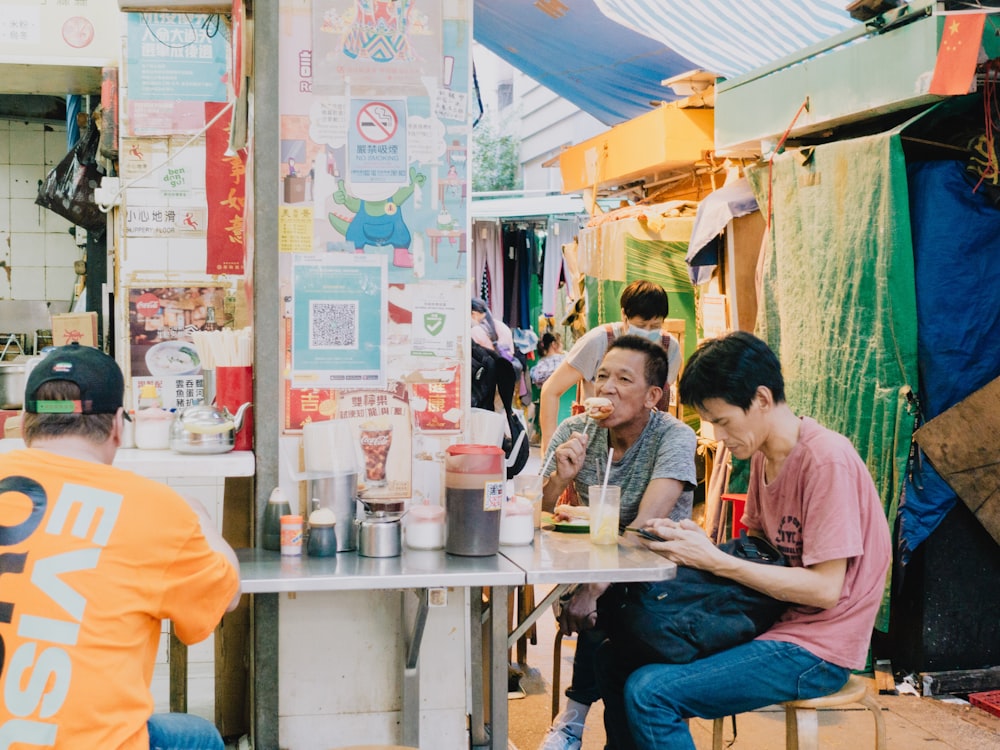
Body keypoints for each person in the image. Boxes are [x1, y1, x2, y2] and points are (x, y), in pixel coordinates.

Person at [597, 331, 891, 750]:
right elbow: (763, 554)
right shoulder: (763, 456)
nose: (718, 437)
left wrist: (716, 561)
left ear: (762, 400)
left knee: (650, 692)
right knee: (614, 657)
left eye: (723, 421)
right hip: (772, 620)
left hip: (820, 648)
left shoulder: (826, 461)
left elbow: (826, 590)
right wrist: (702, 546)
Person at [0, 343, 241, 749]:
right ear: (117, 426)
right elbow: (227, 594)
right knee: (197, 735)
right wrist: (200, 519)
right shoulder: (156, 508)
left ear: (24, 423)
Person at [538, 335, 697, 750]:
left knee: (611, 613)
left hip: (659, 581)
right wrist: (560, 479)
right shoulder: (575, 431)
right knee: (606, 612)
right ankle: (603, 730)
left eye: (623, 379)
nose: (606, 387)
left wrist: (591, 590)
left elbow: (647, 525)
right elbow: (535, 511)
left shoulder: (674, 437)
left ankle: (575, 718)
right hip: (590, 568)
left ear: (652, 396)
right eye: (601, 376)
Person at [538, 281, 682, 453]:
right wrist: (549, 448)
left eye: (656, 326)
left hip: (646, 450)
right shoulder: (598, 341)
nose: (648, 331)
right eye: (641, 326)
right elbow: (550, 391)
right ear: (624, 315)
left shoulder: (669, 348)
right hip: (595, 447)